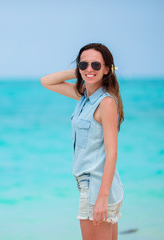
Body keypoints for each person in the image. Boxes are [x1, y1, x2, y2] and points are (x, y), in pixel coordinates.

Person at [40, 43, 124, 240]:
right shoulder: (85, 96)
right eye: (84, 64)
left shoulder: (106, 103)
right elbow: (46, 81)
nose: (89, 69)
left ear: (107, 69)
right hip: (96, 185)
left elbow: (112, 152)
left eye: (96, 65)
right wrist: (81, 72)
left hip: (96, 186)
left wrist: (102, 198)